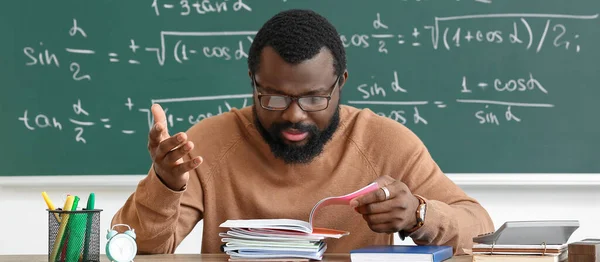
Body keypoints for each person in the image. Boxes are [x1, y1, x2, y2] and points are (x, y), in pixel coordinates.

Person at [112, 9, 494, 256]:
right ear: (253, 83)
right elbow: (136, 250)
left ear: (340, 83)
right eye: (274, 98)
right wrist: (165, 183)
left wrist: (418, 214)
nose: (294, 116)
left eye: (314, 99)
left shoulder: (386, 142)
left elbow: (480, 231)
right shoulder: (208, 144)